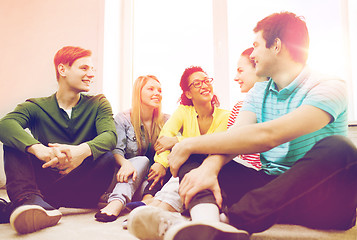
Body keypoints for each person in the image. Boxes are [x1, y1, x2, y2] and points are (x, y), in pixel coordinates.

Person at [126, 12, 357, 240]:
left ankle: (231, 221)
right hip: (270, 189)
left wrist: (187, 142)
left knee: (340, 148)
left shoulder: (329, 86)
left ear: (276, 45)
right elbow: (236, 137)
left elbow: (271, 135)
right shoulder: (258, 92)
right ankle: (207, 225)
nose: (253, 53)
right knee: (195, 155)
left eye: (255, 45)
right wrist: (208, 165)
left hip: (323, 200)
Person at [0, 46, 117, 234]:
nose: (91, 74)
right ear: (62, 70)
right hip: (44, 179)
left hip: (80, 189)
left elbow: (110, 136)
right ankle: (30, 201)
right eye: (84, 68)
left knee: (107, 157)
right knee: (13, 142)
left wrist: (80, 152)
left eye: (92, 69)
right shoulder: (36, 106)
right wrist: (39, 149)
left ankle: (27, 204)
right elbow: (4, 124)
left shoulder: (98, 103)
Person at [127, 66, 230, 214]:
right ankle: (150, 199)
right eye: (197, 83)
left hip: (209, 167)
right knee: (171, 161)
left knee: (186, 157)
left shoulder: (225, 116)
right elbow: (163, 139)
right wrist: (161, 164)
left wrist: (178, 141)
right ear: (188, 93)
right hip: (184, 165)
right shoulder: (183, 111)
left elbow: (215, 145)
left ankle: (159, 205)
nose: (205, 85)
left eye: (206, 81)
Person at [94, 75, 170, 222]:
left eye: (159, 90)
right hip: (124, 177)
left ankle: (144, 202)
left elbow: (176, 148)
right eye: (151, 89)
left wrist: (162, 164)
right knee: (142, 160)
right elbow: (116, 151)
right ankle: (116, 201)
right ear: (138, 92)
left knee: (160, 176)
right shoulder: (123, 119)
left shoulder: (167, 120)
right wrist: (126, 163)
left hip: (148, 182)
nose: (157, 93)